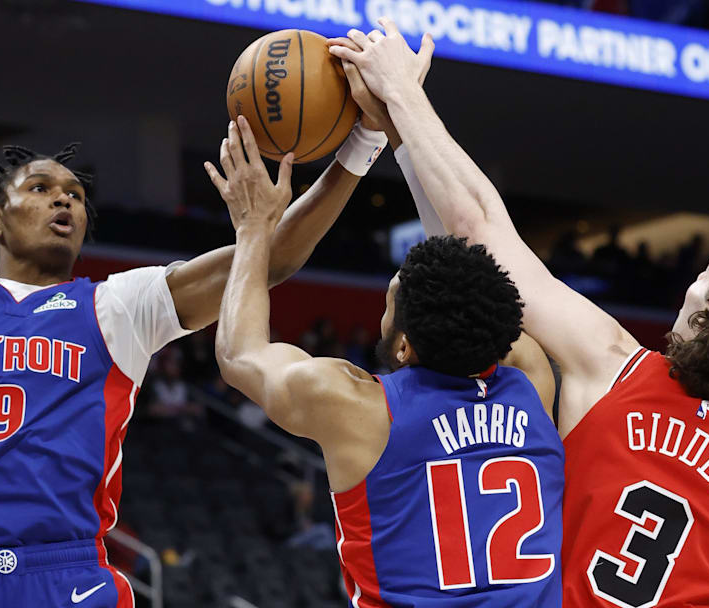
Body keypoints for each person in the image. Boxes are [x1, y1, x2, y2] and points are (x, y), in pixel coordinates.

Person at [329, 19, 709, 606]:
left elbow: (479, 237)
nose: (691, 282)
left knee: (522, 355)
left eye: (706, 274)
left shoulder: (615, 365)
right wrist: (406, 137)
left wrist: (405, 94)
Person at [0, 105, 390, 607]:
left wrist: (364, 140)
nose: (64, 200)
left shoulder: (119, 304)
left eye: (75, 196)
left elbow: (271, 261)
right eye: (41, 188)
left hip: (71, 574)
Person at [210, 102, 562, 605]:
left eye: (390, 298)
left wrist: (252, 228)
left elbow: (240, 353)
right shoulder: (530, 381)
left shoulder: (358, 408)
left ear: (403, 345)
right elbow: (467, 262)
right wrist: (395, 118)